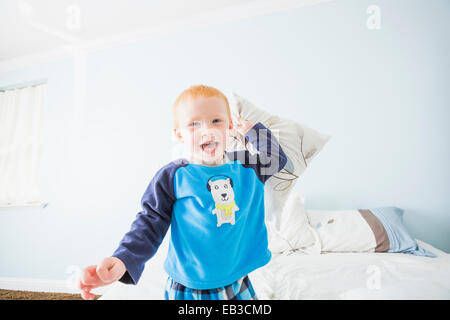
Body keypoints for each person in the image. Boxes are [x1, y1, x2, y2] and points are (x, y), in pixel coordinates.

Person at [78, 84, 287, 300]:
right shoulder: (174, 176)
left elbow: (276, 159)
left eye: (216, 121)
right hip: (190, 285)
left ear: (229, 127)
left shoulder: (245, 167)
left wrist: (255, 131)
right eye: (194, 124)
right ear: (179, 134)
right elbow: (149, 222)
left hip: (237, 278)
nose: (207, 129)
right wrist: (123, 259)